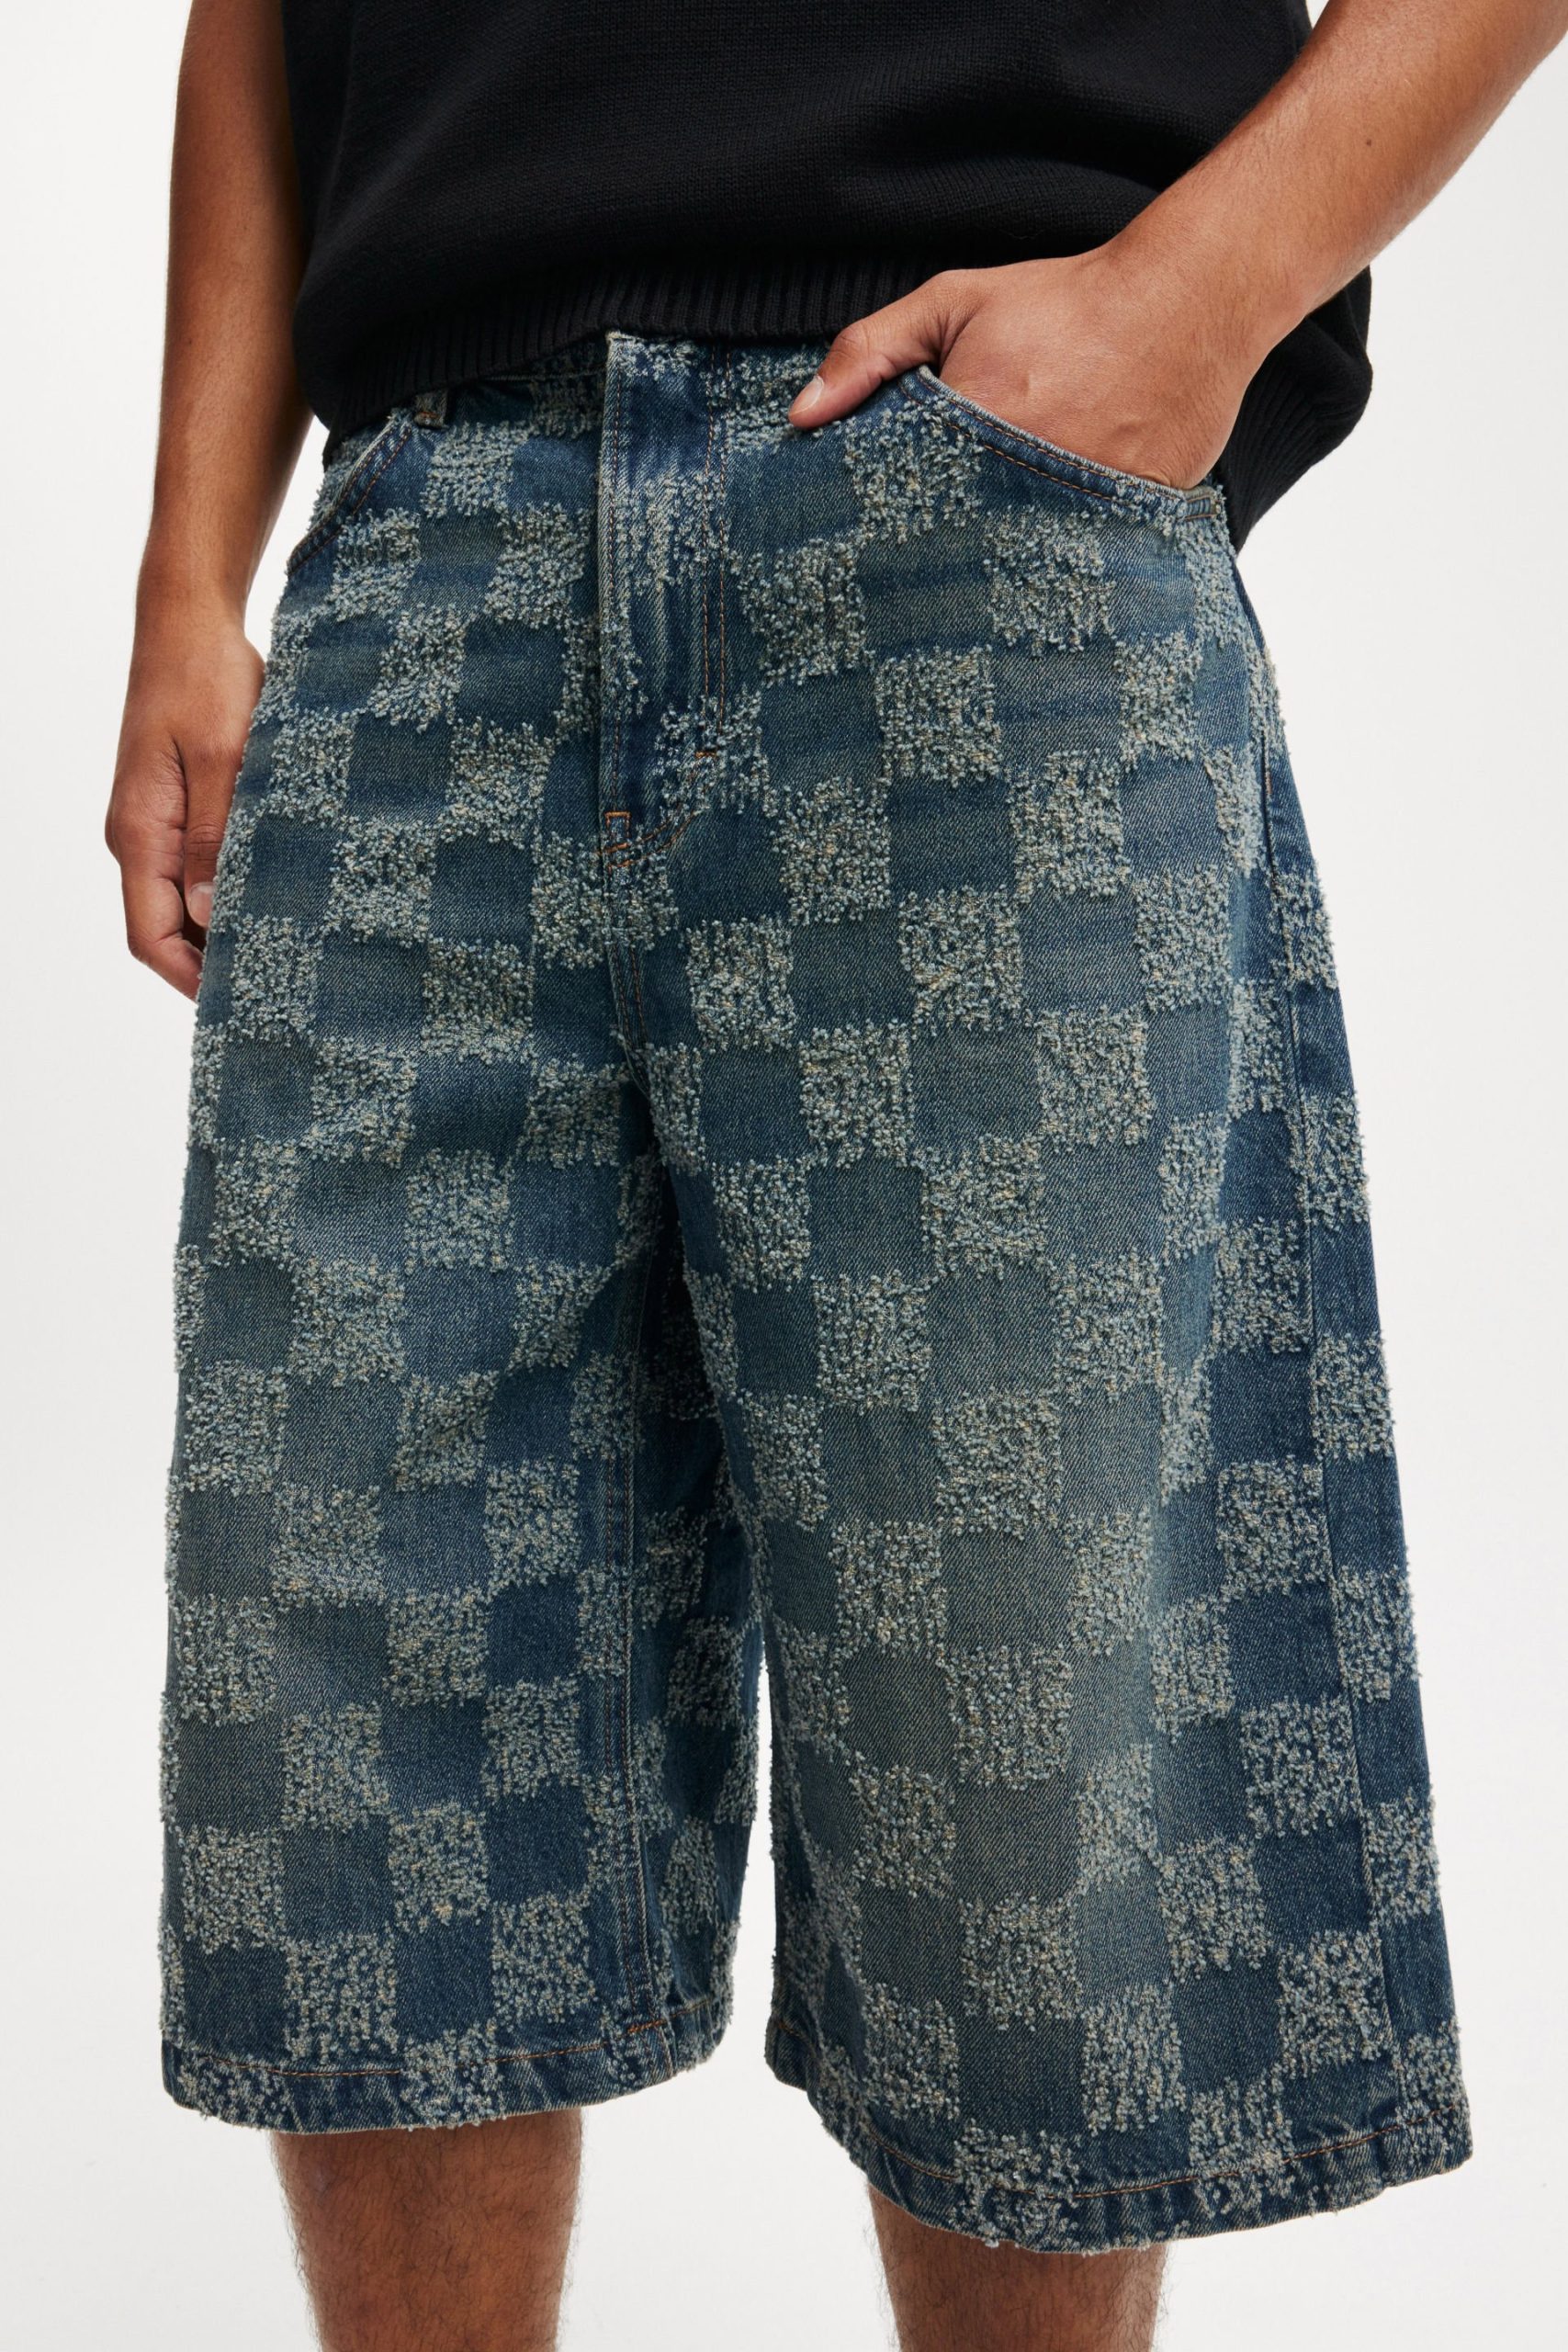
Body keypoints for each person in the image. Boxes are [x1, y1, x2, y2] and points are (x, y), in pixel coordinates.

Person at [104, 4, 1562, 2346]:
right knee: (357, 1695)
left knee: (1026, 1711)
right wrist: (191, 574)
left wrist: (1191, 295)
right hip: (420, 559)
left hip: (971, 524)